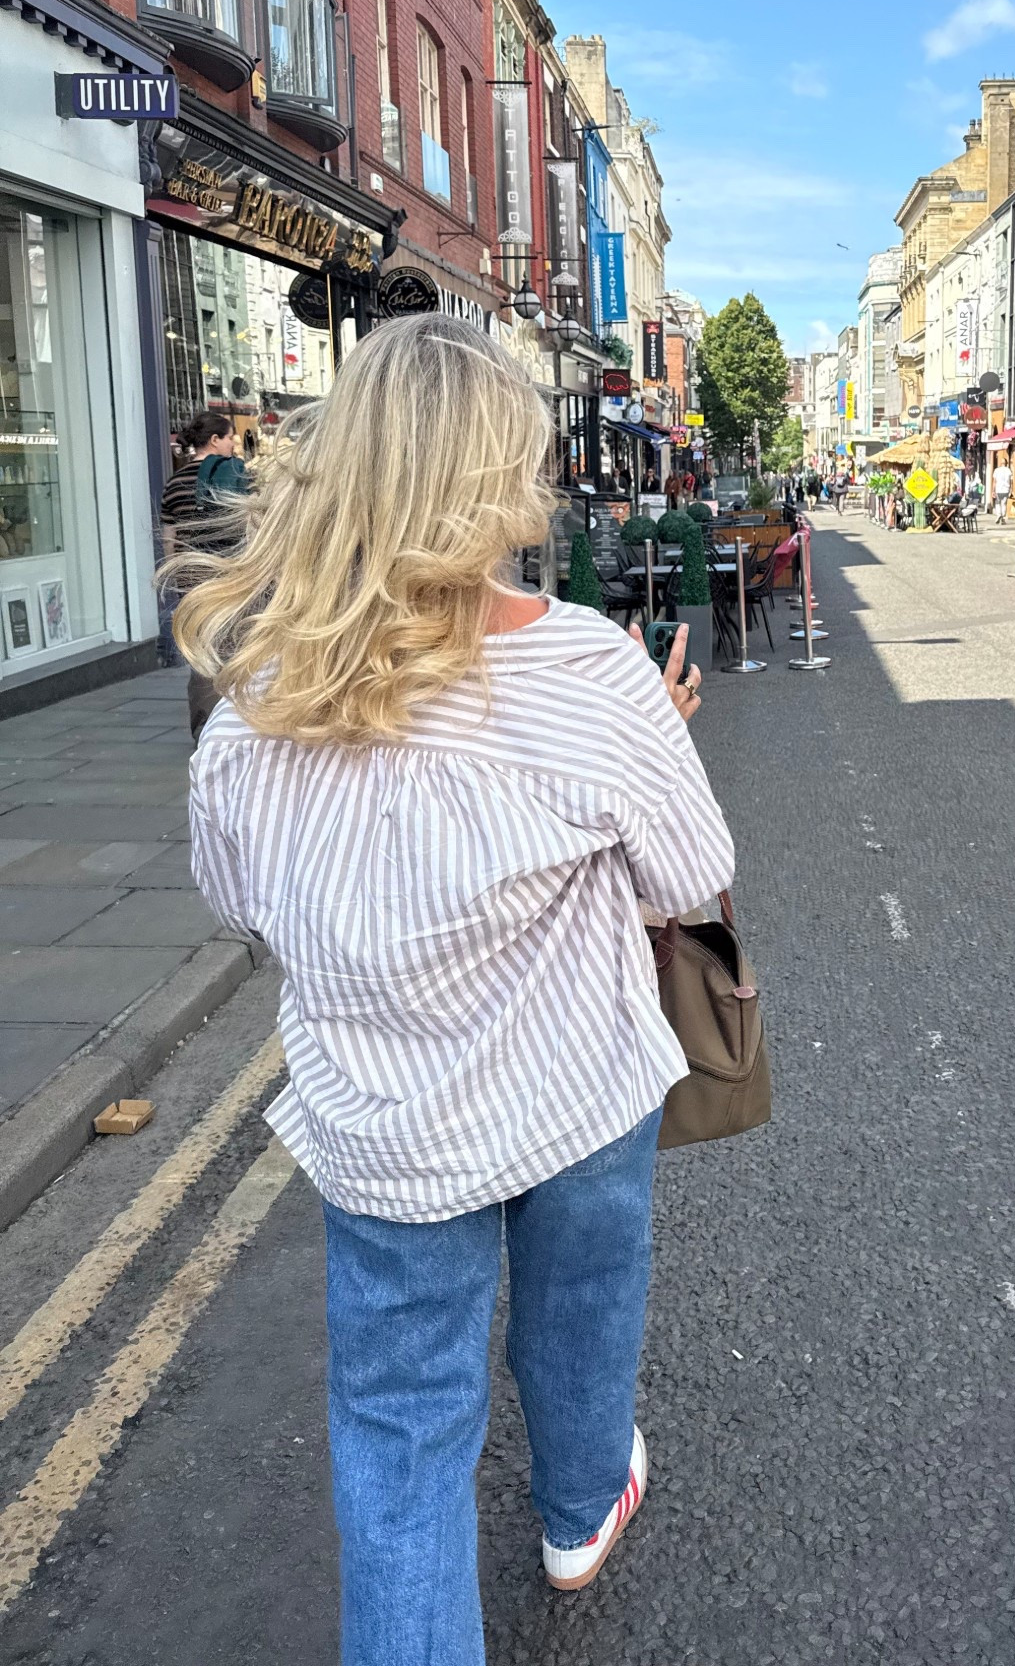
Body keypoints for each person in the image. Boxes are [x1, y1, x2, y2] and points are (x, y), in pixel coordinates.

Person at [173, 317, 734, 1659]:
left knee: (401, 1438)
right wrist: (655, 738)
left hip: (385, 1128)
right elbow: (693, 874)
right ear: (502, 474)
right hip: (577, 1089)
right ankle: (580, 1506)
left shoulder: (256, 692)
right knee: (584, 1309)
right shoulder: (591, 667)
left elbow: (237, 901)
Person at [159, 411, 250, 743]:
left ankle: (204, 726)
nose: (231, 445)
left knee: (201, 656)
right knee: (238, 649)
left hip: (192, 581)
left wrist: (176, 577)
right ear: (215, 440)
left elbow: (170, 536)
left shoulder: (174, 483)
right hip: (231, 575)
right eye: (229, 438)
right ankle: (239, 722)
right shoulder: (235, 475)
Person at [991, 454, 1012, 519]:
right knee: (1004, 503)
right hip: (1006, 489)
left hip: (998, 489)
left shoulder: (997, 470)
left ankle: (999, 515)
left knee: (997, 503)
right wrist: (1011, 490)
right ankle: (1003, 516)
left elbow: (994, 481)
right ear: (1006, 463)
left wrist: (993, 490)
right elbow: (1011, 481)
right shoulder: (1009, 470)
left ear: (1000, 463)